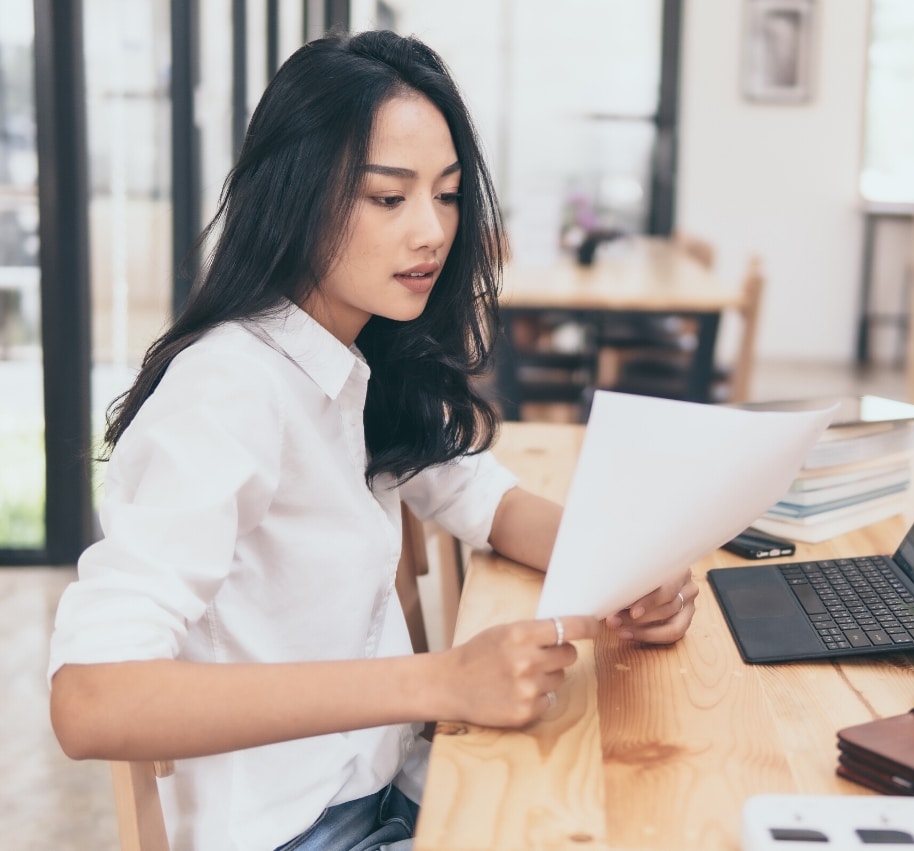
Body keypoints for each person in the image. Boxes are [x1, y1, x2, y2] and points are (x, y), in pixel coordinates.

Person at [47, 29, 697, 851]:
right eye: (389, 198)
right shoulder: (229, 389)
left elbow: (477, 493)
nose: (431, 230)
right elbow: (90, 700)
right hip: (299, 831)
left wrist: (623, 571)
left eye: (448, 194)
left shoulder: (358, 350)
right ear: (294, 194)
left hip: (393, 789)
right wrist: (440, 681)